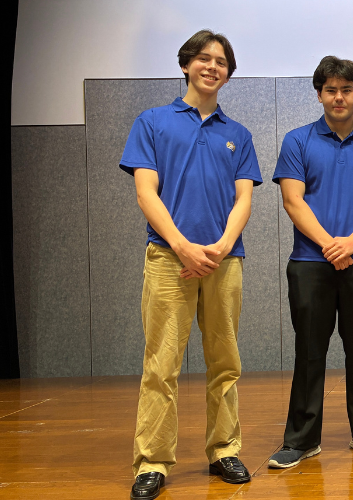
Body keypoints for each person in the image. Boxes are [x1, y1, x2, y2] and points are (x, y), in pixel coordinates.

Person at [121, 29, 262, 500]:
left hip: (225, 261)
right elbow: (146, 193)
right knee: (161, 364)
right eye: (203, 58)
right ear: (185, 65)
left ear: (228, 74)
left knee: (225, 361)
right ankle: (152, 461)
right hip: (168, 259)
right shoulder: (152, 122)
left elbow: (244, 200)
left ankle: (224, 450)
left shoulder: (238, 135)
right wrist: (182, 246)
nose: (212, 67)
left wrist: (220, 247)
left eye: (221, 62)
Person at [267, 56, 353, 469]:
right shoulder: (297, 141)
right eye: (330, 90)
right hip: (310, 263)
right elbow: (293, 201)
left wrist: (351, 244)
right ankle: (301, 440)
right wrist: (330, 245)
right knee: (309, 351)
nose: (338, 97)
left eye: (346, 90)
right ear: (319, 94)